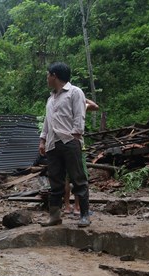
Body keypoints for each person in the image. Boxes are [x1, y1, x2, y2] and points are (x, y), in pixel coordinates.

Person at [38, 62, 90, 228]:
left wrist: (75, 135)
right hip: (53, 144)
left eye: (48, 75)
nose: (47, 78)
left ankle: (84, 215)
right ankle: (55, 216)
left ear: (54, 75)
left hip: (69, 141)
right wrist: (43, 139)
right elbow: (47, 121)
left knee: (78, 178)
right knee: (55, 180)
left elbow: (79, 116)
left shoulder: (75, 92)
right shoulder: (51, 98)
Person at [63, 99, 99, 215]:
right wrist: (84, 99)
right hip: (77, 144)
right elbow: (95, 106)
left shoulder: (63, 105)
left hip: (64, 143)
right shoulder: (80, 105)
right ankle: (77, 207)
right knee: (79, 176)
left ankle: (67, 206)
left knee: (67, 178)